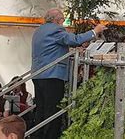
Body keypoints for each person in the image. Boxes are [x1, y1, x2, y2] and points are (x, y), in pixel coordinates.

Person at [31, 8, 106, 139]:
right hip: (52, 75)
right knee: (52, 111)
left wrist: (69, 50)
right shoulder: (56, 30)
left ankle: (37, 136)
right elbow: (75, 39)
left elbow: (52, 49)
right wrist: (95, 31)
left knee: (41, 110)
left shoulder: (39, 31)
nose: (63, 23)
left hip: (38, 74)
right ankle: (50, 136)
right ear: (58, 20)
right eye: (62, 20)